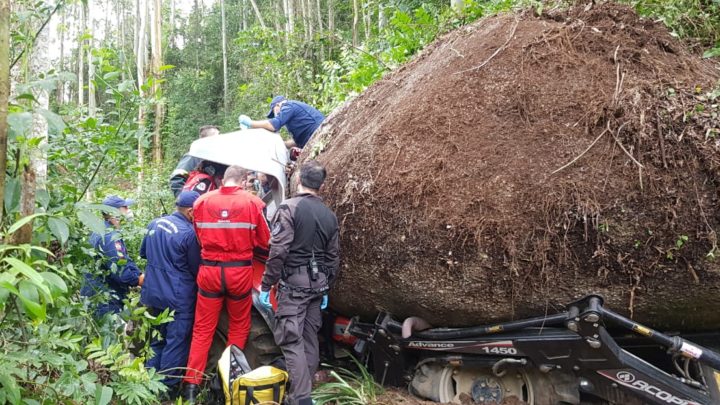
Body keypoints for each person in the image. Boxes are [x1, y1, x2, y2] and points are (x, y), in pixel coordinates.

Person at [182, 165, 271, 402]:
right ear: (242, 181)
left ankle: (191, 388)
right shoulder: (253, 203)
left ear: (223, 180)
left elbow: (199, 237)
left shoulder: (201, 202)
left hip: (210, 271)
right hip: (239, 272)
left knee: (202, 330)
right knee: (239, 326)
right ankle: (225, 382)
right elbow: (265, 240)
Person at [259, 161, 340, 405]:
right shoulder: (330, 215)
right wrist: (327, 285)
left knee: (291, 339)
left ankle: (301, 398)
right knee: (309, 338)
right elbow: (333, 256)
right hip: (318, 286)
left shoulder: (289, 208)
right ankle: (306, 393)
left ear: (298, 181)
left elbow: (279, 249)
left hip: (294, 286)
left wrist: (266, 284)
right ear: (321, 185)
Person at [140, 191, 202, 394]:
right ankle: (167, 389)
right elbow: (196, 268)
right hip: (178, 298)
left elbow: (143, 253)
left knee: (157, 339)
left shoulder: (154, 223)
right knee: (176, 341)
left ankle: (148, 385)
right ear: (191, 212)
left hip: (152, 293)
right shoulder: (189, 234)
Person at [81, 195, 144, 317]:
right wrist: (138, 280)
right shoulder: (109, 238)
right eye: (124, 207)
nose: (128, 211)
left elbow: (124, 259)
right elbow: (121, 273)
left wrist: (138, 273)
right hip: (104, 298)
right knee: (110, 333)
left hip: (98, 293)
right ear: (113, 213)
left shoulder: (104, 230)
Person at [238, 96, 325, 149]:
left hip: (319, 132)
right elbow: (297, 141)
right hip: (311, 138)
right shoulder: (291, 118)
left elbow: (273, 125)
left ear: (277, 105)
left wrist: (250, 123)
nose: (275, 115)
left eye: (274, 112)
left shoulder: (288, 106)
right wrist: (283, 145)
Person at [170, 125, 220, 197]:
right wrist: (183, 199)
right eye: (217, 137)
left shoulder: (216, 157)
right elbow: (177, 178)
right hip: (194, 202)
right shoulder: (193, 156)